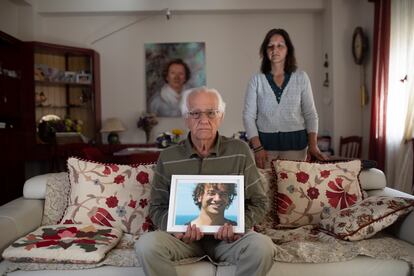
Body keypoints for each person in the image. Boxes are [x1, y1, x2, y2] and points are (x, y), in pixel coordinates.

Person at [135, 87, 275, 276]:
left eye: (211, 113)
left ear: (221, 116)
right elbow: (157, 206)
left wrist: (238, 226)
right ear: (186, 118)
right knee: (146, 245)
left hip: (229, 241)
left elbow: (259, 202)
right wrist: (176, 229)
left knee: (263, 246)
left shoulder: (240, 151)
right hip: (184, 242)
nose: (203, 120)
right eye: (195, 113)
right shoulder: (168, 156)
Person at [243, 28, 327, 169]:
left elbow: (310, 114)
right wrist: (257, 148)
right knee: (266, 190)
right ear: (265, 50)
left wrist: (313, 145)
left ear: (288, 49)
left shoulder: (301, 77)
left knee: (294, 190)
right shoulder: (256, 80)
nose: (275, 49)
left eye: (280, 45)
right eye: (270, 46)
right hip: (265, 149)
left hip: (297, 148)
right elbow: (248, 116)